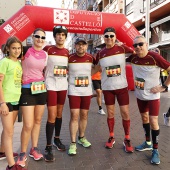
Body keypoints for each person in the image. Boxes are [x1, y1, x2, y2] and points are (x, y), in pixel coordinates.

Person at [127, 35, 170, 165]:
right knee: (144, 119)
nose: (138, 47)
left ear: (146, 44)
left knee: (153, 120)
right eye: (135, 45)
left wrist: (163, 86)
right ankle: (147, 142)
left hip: (153, 96)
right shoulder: (133, 57)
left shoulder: (154, 57)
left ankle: (155, 150)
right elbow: (119, 58)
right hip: (140, 95)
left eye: (140, 44)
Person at [95, 27, 134, 153]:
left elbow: (135, 53)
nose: (109, 38)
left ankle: (127, 138)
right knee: (110, 114)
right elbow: (95, 67)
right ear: (103, 38)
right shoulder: (100, 53)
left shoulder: (122, 48)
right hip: (107, 88)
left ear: (115, 37)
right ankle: (111, 136)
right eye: (107, 36)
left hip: (122, 87)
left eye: (112, 36)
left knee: (125, 113)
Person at [17, 28, 47, 167]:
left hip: (41, 90)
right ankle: (22, 153)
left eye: (42, 37)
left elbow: (44, 71)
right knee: (28, 124)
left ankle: (33, 149)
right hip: (27, 90)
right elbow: (8, 52)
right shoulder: (25, 51)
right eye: (37, 36)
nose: (40, 39)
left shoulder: (45, 54)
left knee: (38, 121)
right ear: (32, 36)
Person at [43, 26, 69, 162]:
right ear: (54, 36)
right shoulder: (47, 49)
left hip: (62, 86)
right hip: (51, 86)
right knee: (51, 116)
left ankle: (56, 139)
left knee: (59, 113)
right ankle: (48, 146)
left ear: (65, 37)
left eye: (63, 35)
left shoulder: (67, 52)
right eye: (58, 34)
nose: (60, 37)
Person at [0, 36, 26, 170]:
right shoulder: (4, 62)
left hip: (16, 99)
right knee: (9, 132)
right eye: (13, 48)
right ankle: (11, 165)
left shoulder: (18, 63)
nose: (16, 50)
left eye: (18, 48)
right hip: (7, 100)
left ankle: (2, 151)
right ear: (8, 49)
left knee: (8, 129)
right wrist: (2, 103)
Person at [67, 37, 96, 155]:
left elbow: (98, 67)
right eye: (78, 44)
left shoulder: (90, 58)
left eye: (83, 45)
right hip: (74, 91)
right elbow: (64, 70)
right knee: (74, 115)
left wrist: (89, 76)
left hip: (86, 91)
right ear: (75, 46)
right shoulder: (69, 58)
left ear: (86, 46)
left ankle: (81, 137)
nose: (81, 47)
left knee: (84, 115)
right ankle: (73, 143)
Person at [91, 49, 106, 115]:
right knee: (99, 92)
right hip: (94, 78)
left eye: (98, 54)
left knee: (99, 93)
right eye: (96, 53)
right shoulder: (92, 61)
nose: (97, 55)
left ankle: (91, 96)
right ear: (94, 54)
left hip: (102, 79)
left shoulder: (102, 60)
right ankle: (100, 109)